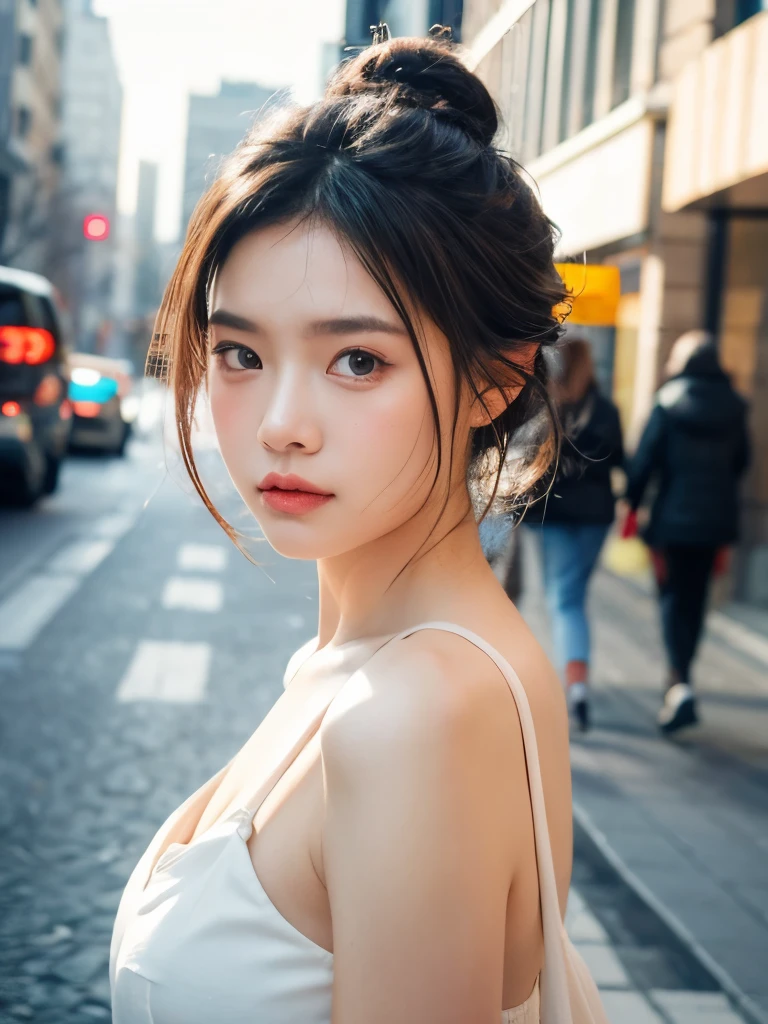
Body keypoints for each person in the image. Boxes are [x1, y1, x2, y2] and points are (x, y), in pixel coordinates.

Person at [110, 29, 607, 1024]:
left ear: (494, 377)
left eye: (357, 362)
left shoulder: (417, 710)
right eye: (241, 352)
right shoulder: (378, 663)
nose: (282, 424)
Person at [625, 330, 750, 734]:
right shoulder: (735, 407)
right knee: (695, 600)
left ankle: (678, 681)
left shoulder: (667, 401)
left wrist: (632, 500)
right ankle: (682, 678)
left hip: (672, 520)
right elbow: (742, 461)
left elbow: (644, 460)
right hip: (715, 520)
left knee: (671, 597)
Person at [524, 340, 623, 731]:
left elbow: (530, 463)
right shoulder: (607, 410)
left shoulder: (546, 408)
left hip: (556, 514)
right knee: (573, 594)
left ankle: (576, 686)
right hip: (597, 517)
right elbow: (621, 460)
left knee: (563, 599)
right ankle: (577, 682)